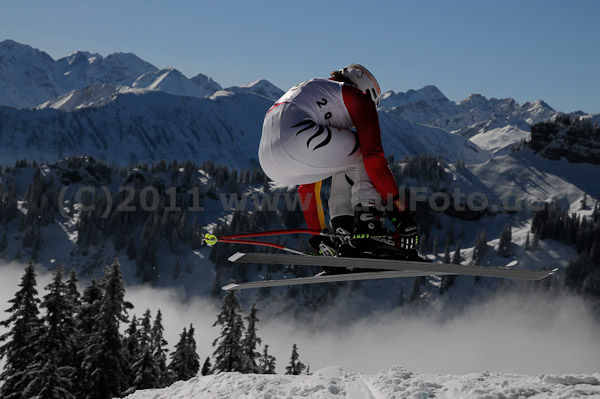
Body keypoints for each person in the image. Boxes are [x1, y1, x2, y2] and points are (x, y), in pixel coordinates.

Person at [259, 64, 417, 259]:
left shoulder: (317, 93)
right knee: (363, 149)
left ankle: (344, 234)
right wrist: (401, 215)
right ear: (366, 91)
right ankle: (368, 226)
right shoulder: (358, 97)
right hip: (297, 138)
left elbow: (307, 188)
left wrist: (319, 237)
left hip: (269, 160)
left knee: (345, 158)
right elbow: (374, 157)